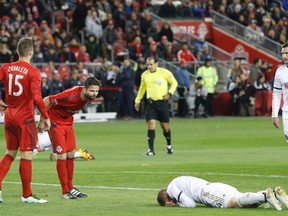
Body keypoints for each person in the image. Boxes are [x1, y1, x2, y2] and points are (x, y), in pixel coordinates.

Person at [0, 37, 51, 204]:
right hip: (25, 119)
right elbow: (37, 97)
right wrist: (46, 117)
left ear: (17, 51)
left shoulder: (6, 67)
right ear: (31, 52)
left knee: (9, 154)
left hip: (9, 116)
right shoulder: (33, 72)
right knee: (27, 155)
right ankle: (26, 195)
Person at [39, 76, 101, 199]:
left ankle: (71, 187)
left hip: (68, 123)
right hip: (56, 123)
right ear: (84, 89)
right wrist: (42, 121)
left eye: (96, 91)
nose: (94, 94)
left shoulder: (86, 96)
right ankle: (64, 192)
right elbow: (46, 100)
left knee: (71, 154)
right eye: (92, 91)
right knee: (61, 156)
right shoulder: (70, 96)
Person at [157, 176, 288, 211]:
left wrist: (176, 205)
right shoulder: (179, 181)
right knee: (246, 203)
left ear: (165, 197)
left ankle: (265, 196)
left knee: (233, 203)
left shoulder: (171, 188)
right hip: (215, 186)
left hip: (207, 193)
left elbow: (190, 204)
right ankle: (272, 194)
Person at [134, 56, 178, 156]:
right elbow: (142, 88)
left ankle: (169, 145)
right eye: (147, 64)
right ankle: (151, 150)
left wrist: (170, 93)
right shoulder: (144, 75)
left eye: (151, 64)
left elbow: (174, 83)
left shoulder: (164, 72)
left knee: (165, 127)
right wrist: (137, 100)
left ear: (156, 64)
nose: (149, 66)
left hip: (162, 103)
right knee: (151, 123)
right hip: (150, 103)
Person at [272, 42, 288, 137]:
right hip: (287, 113)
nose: (284, 56)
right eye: (283, 53)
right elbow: (277, 94)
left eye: (287, 53)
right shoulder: (280, 72)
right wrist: (274, 115)